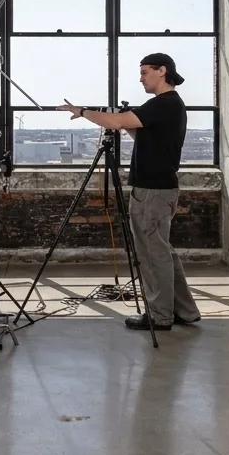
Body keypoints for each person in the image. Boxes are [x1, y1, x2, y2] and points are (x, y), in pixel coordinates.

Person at [58, 53, 202, 331]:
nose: (141, 78)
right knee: (163, 252)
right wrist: (126, 123)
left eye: (145, 72)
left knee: (151, 254)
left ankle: (160, 316)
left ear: (162, 71)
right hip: (158, 189)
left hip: (153, 191)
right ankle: (184, 310)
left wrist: (83, 112)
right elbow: (142, 132)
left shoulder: (165, 103)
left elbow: (116, 122)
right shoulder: (167, 105)